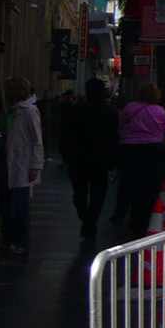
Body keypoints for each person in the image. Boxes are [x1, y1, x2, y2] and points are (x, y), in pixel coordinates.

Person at [61, 79, 119, 241]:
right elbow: (113, 137)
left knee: (79, 191)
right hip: (101, 159)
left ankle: (84, 216)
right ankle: (91, 221)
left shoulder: (76, 109)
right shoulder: (110, 111)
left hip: (78, 157)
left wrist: (66, 153)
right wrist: (113, 159)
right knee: (98, 194)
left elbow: (67, 132)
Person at [112, 84, 165, 232]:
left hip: (129, 149)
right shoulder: (160, 111)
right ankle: (144, 217)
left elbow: (120, 125)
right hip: (153, 150)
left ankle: (120, 213)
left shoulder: (131, 107)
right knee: (149, 185)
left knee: (127, 182)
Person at [0, 78, 43, 256]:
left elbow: (37, 140)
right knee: (5, 203)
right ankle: (7, 239)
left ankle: (21, 240)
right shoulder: (8, 111)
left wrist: (35, 165)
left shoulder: (28, 111)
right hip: (5, 160)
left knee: (20, 205)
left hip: (21, 162)